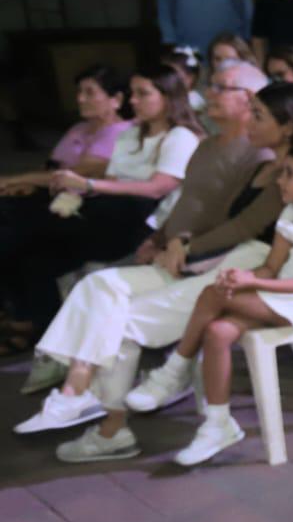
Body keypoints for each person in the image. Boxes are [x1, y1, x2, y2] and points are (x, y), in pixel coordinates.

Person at [15, 76, 293, 459]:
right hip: (218, 258)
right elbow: (214, 213)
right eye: (252, 113)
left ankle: (111, 424)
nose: (251, 122)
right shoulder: (263, 166)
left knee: (120, 319)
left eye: (259, 115)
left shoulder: (285, 170)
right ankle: (78, 392)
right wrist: (167, 239)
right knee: (98, 288)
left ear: (288, 126)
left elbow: (244, 228)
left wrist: (185, 246)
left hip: (245, 270)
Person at [128, 143, 293, 466]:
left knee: (212, 294)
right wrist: (243, 277)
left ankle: (174, 370)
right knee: (218, 331)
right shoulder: (292, 209)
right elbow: (271, 268)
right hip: (280, 294)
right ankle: (218, 423)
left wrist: (252, 283)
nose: (280, 180)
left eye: (290, 174)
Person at [0, 64, 203, 350]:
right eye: (133, 93)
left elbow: (159, 187)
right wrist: (82, 192)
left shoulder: (179, 136)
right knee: (33, 255)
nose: (132, 101)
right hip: (106, 210)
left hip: (138, 219)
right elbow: (111, 180)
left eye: (142, 94)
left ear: (168, 98)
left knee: (18, 227)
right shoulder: (130, 135)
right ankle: (36, 326)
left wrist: (90, 186)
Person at [0, 65, 131, 196]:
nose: (80, 99)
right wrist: (28, 184)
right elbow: (51, 167)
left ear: (116, 99)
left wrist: (12, 180)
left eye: (89, 93)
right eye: (79, 91)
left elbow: (77, 173)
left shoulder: (121, 132)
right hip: (54, 195)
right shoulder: (78, 128)